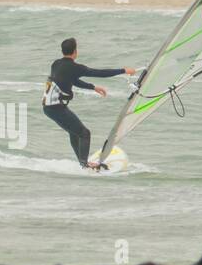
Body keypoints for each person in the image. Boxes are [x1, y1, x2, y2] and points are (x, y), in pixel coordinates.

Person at [43, 37, 136, 169]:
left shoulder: (56, 64)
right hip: (56, 107)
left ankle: (82, 163)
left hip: (49, 106)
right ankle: (85, 165)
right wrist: (123, 71)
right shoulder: (74, 67)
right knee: (85, 133)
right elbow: (99, 73)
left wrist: (93, 87)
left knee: (74, 132)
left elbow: (72, 80)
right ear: (75, 51)